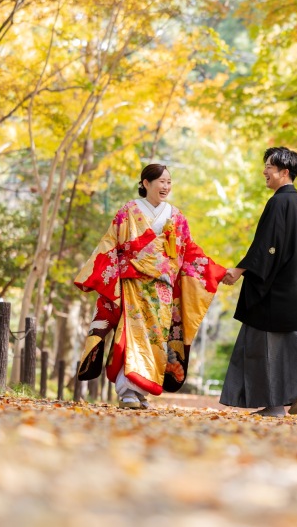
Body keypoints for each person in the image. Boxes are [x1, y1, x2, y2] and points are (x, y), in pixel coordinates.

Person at [74, 163, 226, 409]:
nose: (166, 186)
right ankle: (127, 392)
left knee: (156, 339)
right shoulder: (128, 212)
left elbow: (190, 251)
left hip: (162, 289)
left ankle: (141, 390)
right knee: (131, 335)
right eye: (161, 182)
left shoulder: (175, 216)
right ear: (146, 183)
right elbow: (110, 244)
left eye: (169, 182)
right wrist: (95, 274)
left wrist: (218, 271)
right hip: (133, 283)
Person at [219, 147, 297, 417]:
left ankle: (281, 401)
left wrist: (240, 269)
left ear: (284, 172)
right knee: (293, 341)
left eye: (269, 166)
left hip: (276, 290)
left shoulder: (279, 202)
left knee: (262, 346)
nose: (264, 171)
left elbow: (267, 245)